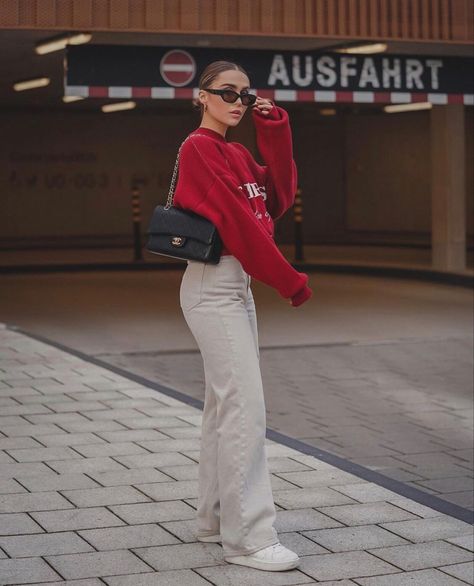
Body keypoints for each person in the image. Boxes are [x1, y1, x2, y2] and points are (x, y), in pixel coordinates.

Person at [173, 60, 313, 572]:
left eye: (245, 95)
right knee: (245, 411)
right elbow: (237, 225)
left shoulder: (235, 151)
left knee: (222, 407)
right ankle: (249, 539)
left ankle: (213, 519)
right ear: (201, 97)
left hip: (235, 288)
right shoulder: (198, 149)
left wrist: (272, 130)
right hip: (214, 287)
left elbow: (274, 200)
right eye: (226, 92)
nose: (237, 101)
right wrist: (289, 279)